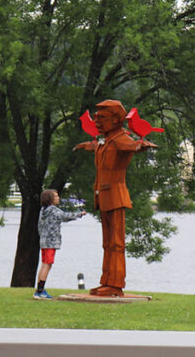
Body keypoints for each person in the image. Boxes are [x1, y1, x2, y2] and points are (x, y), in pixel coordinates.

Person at [73, 99, 157, 297]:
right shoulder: (105, 140)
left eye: (102, 118)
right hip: (103, 196)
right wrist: (85, 145)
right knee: (107, 243)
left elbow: (132, 146)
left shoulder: (120, 139)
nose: (97, 122)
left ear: (116, 120)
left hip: (116, 196)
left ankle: (116, 282)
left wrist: (140, 146)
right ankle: (107, 281)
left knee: (117, 242)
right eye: (96, 118)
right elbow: (96, 146)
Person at [34, 189, 86, 300]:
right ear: (50, 199)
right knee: (47, 265)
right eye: (56, 196)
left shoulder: (43, 210)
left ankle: (40, 289)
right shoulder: (53, 210)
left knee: (44, 264)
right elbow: (65, 216)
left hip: (43, 241)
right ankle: (39, 291)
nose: (58, 198)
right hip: (51, 241)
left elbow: (39, 226)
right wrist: (80, 214)